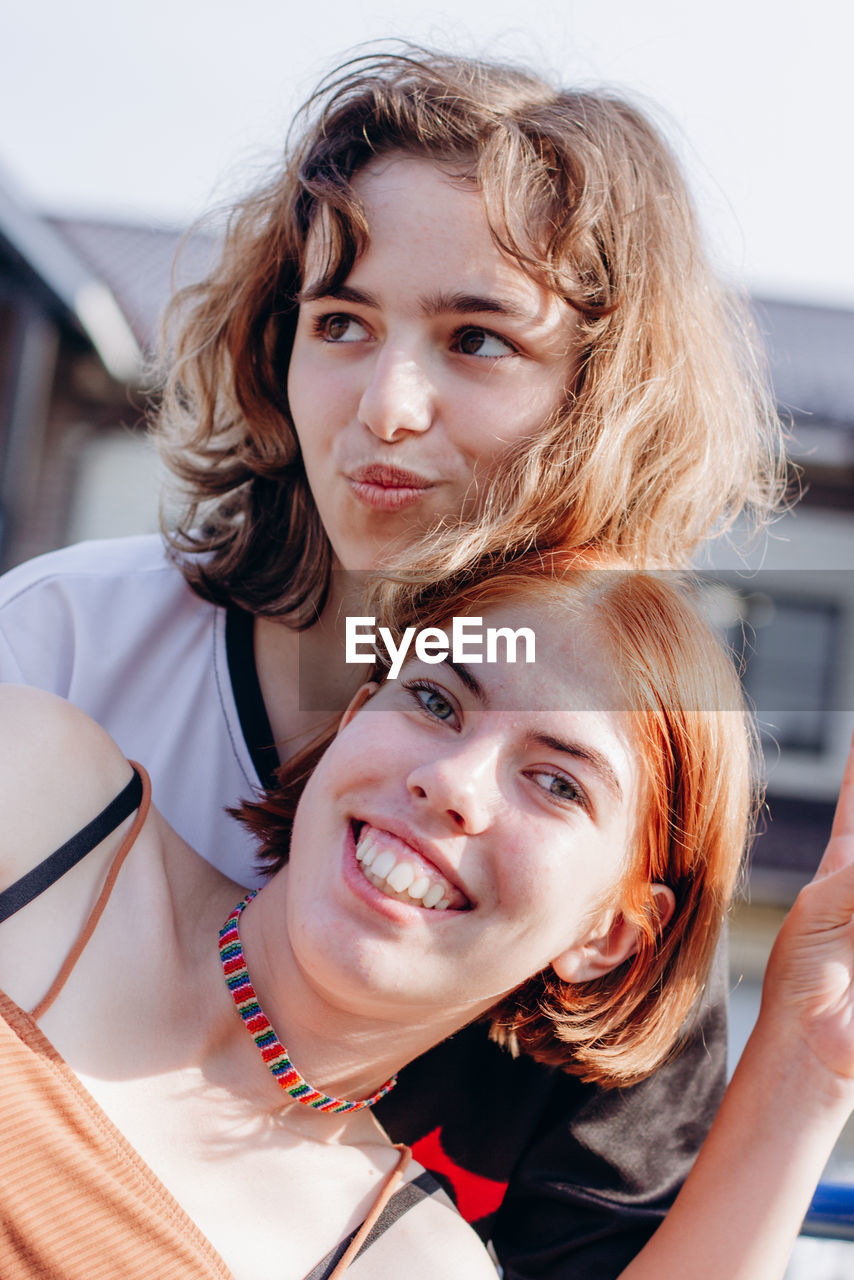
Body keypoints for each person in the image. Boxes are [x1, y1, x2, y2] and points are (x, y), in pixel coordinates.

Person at [0, 47, 788, 1277]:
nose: (387, 405)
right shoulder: (57, 653)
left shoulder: (608, 859)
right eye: (340, 322)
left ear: (601, 396)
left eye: (476, 338)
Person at [5, 556, 850, 1280]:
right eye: (437, 702)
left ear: (607, 938)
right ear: (348, 723)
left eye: (558, 783)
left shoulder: (410, 1261)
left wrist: (814, 1066)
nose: (453, 783)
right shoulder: (47, 803)